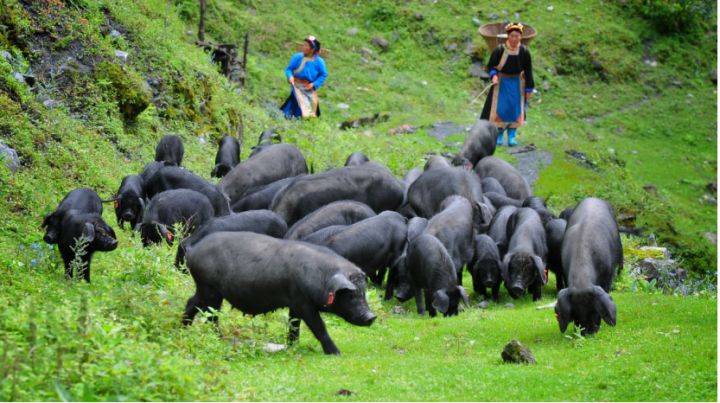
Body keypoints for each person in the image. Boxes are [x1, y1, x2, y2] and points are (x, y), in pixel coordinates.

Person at [480, 22, 535, 147]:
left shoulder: (524, 52)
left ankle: (512, 136)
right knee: (501, 109)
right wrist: (494, 75)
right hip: (502, 83)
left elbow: (528, 70)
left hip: (517, 84)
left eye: (517, 36)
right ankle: (499, 134)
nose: (514, 38)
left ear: (520, 37)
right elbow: (491, 66)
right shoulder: (500, 50)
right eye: (512, 36)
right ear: (508, 37)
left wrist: (529, 88)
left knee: (515, 111)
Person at [280, 35, 328, 119]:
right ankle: (291, 117)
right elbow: (289, 69)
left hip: (309, 86)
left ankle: (307, 120)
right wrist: (290, 76)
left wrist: (314, 84)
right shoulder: (297, 57)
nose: (303, 47)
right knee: (300, 101)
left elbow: (323, 74)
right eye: (303, 45)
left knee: (312, 105)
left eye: (306, 46)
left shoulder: (319, 61)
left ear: (312, 49)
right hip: (297, 84)